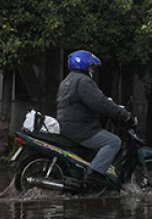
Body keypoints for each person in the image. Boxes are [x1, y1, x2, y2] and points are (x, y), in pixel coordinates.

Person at [56, 50, 134, 189]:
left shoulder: (67, 80)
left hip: (68, 126)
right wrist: (124, 115)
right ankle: (94, 174)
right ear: (84, 65)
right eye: (92, 67)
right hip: (81, 128)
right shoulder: (83, 81)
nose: (93, 70)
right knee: (113, 141)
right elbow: (100, 102)